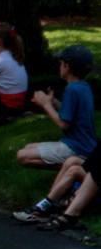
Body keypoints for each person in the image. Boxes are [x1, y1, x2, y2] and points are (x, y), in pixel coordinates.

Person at [13, 45, 94, 188]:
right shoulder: (83, 86)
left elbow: (64, 124)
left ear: (66, 66)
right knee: (29, 147)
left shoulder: (71, 89)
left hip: (76, 147)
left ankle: (75, 170)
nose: (59, 66)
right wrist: (54, 102)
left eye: (61, 63)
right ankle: (72, 170)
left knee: (22, 155)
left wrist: (45, 104)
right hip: (86, 145)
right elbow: (72, 113)